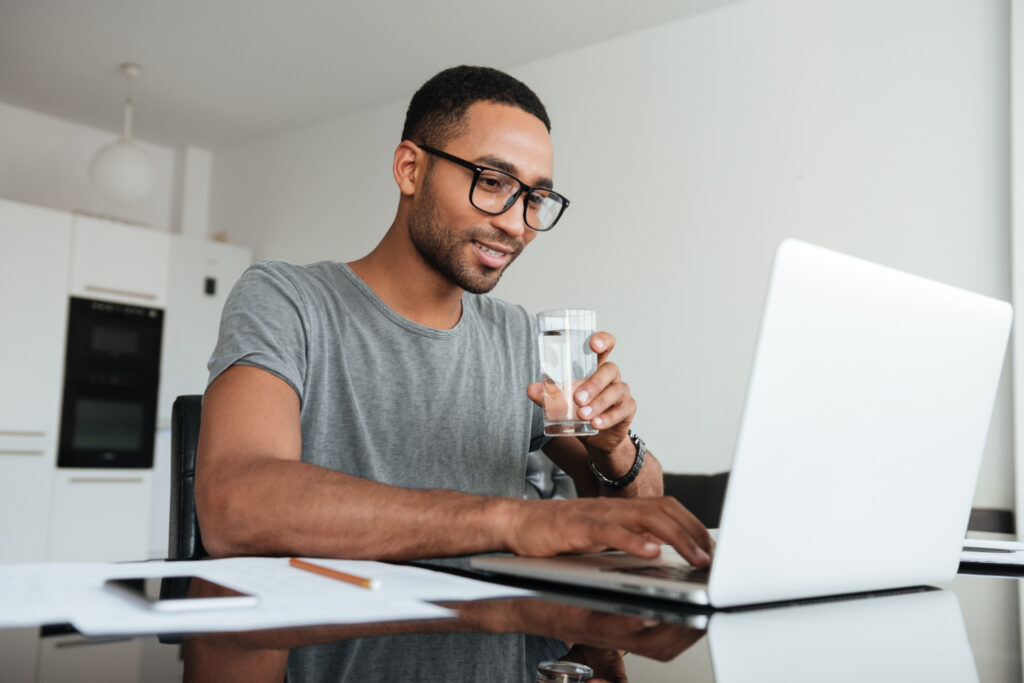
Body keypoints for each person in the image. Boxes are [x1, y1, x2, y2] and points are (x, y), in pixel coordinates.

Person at [196, 64, 712, 573]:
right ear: (410, 169)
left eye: (535, 198)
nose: (515, 224)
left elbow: (634, 523)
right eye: (491, 181)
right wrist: (513, 522)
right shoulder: (289, 300)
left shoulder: (518, 338)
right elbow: (235, 505)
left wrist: (616, 448)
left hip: (517, 649)